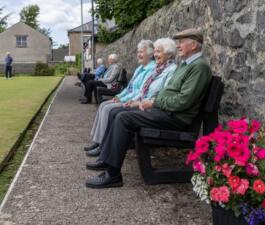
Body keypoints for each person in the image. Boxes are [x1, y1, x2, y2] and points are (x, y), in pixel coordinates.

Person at [85, 28, 213, 189]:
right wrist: (153, 101)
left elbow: (183, 102)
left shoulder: (199, 67)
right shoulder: (187, 64)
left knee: (123, 118)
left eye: (182, 42)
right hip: (166, 112)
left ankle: (113, 174)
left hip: (175, 118)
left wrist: (155, 102)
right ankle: (106, 160)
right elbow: (171, 94)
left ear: (194, 44)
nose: (178, 45)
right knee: (119, 112)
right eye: (178, 42)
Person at [85, 38, 177, 157]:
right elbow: (131, 88)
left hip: (146, 105)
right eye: (138, 52)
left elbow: (143, 91)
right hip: (140, 101)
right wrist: (119, 96)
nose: (138, 54)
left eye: (141, 52)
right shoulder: (150, 69)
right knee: (105, 106)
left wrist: (128, 100)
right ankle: (99, 142)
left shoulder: (156, 69)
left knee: (110, 110)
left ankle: (103, 145)